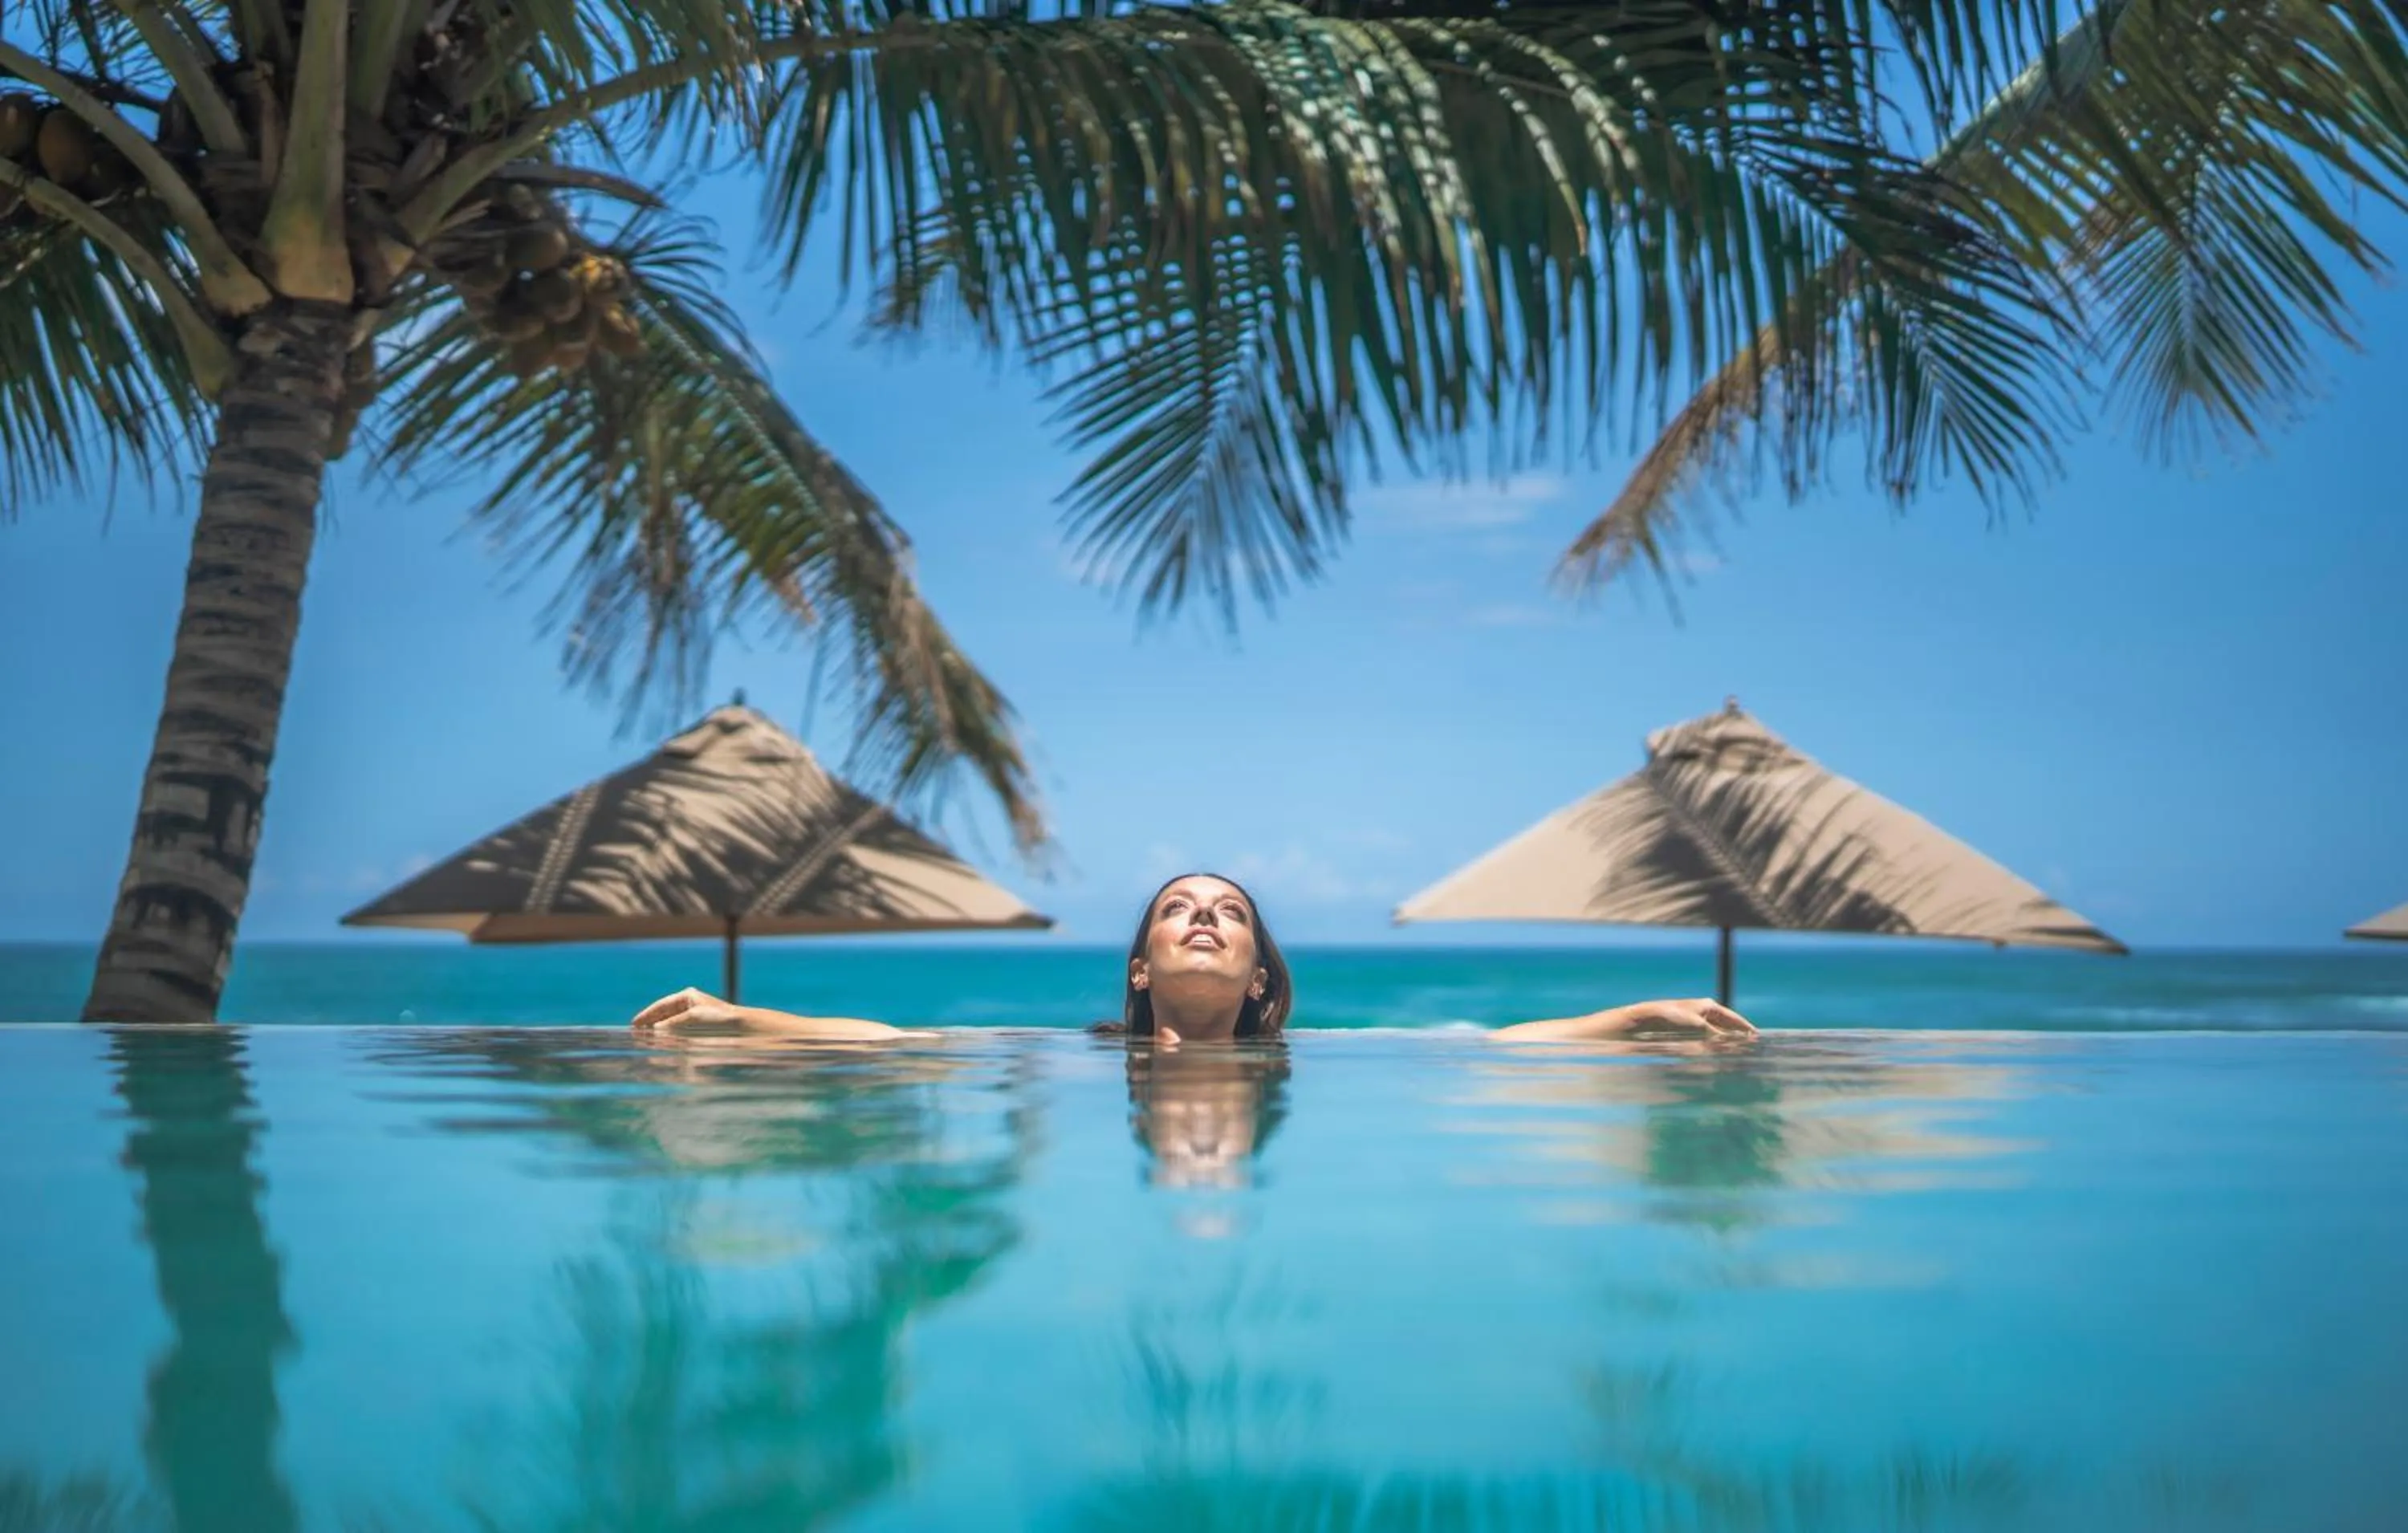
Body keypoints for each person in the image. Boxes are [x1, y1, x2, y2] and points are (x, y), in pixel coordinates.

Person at [632, 872, 1755, 1046]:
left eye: (1229, 913)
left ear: (1262, 974)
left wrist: (1643, 1012)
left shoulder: (1301, 1065)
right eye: (1178, 909)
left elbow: (1489, 1046)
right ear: (1141, 964)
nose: (1204, 918)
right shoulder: (1085, 1059)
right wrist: (740, 1018)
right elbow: (898, 1042)